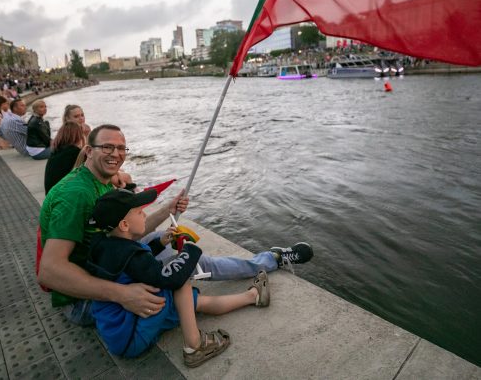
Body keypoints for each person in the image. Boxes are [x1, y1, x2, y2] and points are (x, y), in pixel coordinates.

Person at [38, 124, 312, 325]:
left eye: (121, 148)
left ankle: (269, 259)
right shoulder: (75, 195)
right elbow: (49, 271)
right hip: (85, 301)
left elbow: (124, 234)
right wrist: (122, 294)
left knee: (170, 244)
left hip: (105, 264)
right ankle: (267, 265)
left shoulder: (98, 180)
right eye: (107, 147)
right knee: (185, 270)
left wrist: (166, 210)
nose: (116, 154)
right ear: (88, 151)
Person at [88, 188, 269, 365]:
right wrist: (190, 249)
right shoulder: (130, 255)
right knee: (180, 280)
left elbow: (136, 267)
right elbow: (171, 277)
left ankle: (253, 296)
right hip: (131, 334)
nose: (144, 215)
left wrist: (159, 243)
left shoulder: (106, 245)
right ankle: (195, 346)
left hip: (118, 332)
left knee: (191, 302)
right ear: (124, 225)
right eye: (139, 212)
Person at [44, 121, 86, 194]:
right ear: (78, 136)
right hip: (61, 196)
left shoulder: (56, 151)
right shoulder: (74, 152)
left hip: (50, 195)